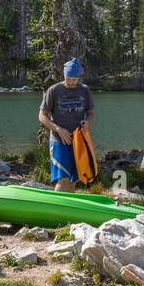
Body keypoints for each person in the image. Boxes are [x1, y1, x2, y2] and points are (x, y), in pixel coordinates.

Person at [38, 59, 95, 192]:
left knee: (73, 179)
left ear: (78, 77)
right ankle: (53, 210)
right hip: (58, 141)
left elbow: (91, 113)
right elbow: (42, 116)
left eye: (74, 79)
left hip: (78, 141)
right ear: (64, 75)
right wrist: (58, 129)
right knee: (63, 179)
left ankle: (69, 211)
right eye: (68, 79)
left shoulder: (84, 90)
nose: (71, 82)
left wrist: (87, 123)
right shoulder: (53, 90)